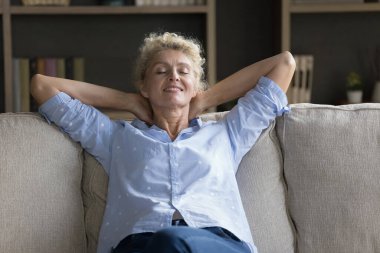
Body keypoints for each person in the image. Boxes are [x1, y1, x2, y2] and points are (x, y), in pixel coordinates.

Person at [31, 32, 295, 253]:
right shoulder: (116, 138)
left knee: (172, 241)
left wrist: (205, 99)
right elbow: (42, 86)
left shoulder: (227, 134)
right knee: (166, 242)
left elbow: (284, 64)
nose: (174, 76)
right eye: (161, 71)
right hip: (140, 245)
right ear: (144, 87)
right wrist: (127, 100)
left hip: (216, 243)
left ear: (195, 86)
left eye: (184, 71)